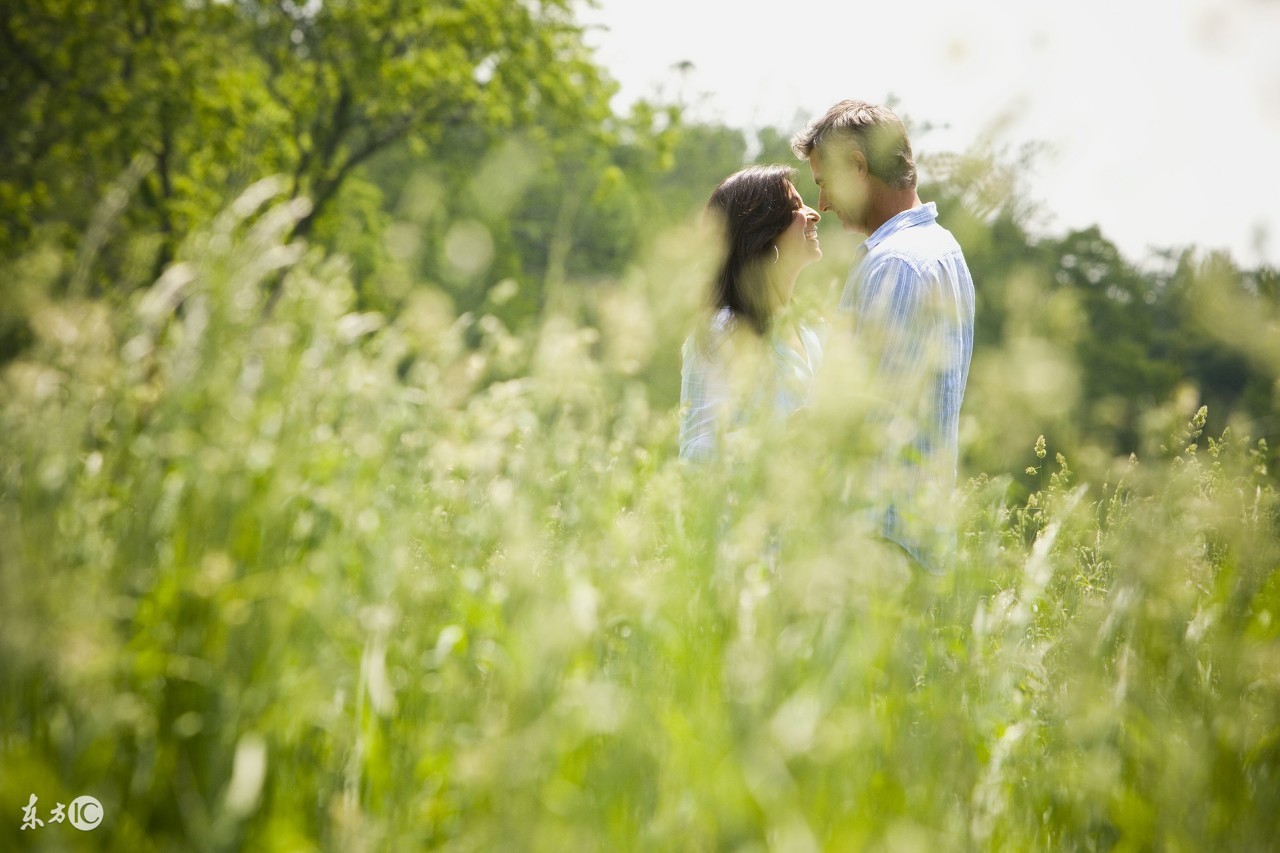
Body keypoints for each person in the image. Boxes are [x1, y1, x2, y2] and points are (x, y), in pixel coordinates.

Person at [791, 99, 975, 571]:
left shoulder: (896, 264)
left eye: (824, 183)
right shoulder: (942, 249)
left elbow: (862, 414)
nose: (823, 203)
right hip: (910, 535)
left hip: (879, 539)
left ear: (858, 166)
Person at [678, 164, 824, 462]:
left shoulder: (814, 327)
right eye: (795, 207)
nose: (814, 213)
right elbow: (694, 453)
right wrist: (779, 439)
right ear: (763, 233)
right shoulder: (720, 333)